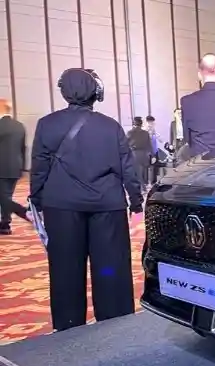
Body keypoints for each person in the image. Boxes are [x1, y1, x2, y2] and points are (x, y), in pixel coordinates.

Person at [29, 68, 143, 332]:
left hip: (61, 206)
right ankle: (114, 323)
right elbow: (128, 168)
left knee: (66, 269)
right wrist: (136, 200)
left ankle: (69, 327)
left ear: (63, 91)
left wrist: (37, 199)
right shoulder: (111, 126)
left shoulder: (47, 124)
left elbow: (39, 167)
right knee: (110, 268)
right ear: (96, 92)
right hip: (108, 206)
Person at [0, 99, 28, 235]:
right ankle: (5, 224)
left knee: (4, 197)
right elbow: (23, 148)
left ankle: (23, 212)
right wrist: (22, 167)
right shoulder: (19, 126)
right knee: (6, 196)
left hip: (2, 168)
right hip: (15, 166)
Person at [126, 116, 151, 188]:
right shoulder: (145, 133)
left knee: (137, 172)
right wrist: (151, 155)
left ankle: (142, 187)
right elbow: (149, 145)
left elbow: (125, 144)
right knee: (143, 172)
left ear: (134, 123)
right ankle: (144, 186)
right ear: (141, 123)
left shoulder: (130, 132)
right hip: (144, 154)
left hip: (135, 154)